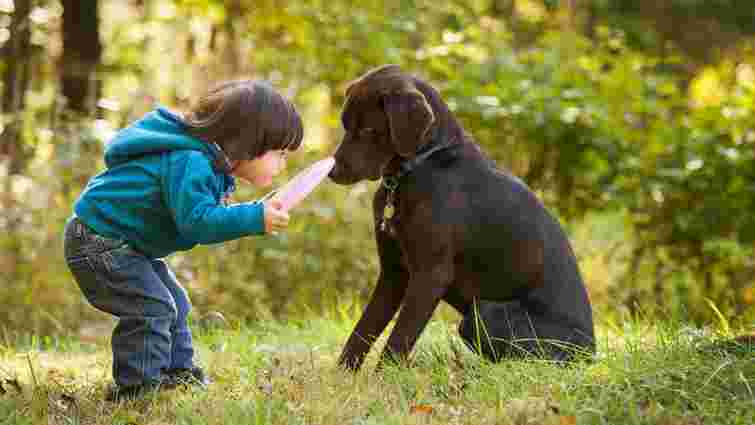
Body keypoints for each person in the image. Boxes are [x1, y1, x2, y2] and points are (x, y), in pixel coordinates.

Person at [62, 80, 303, 401]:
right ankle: (138, 389)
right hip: (98, 241)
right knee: (153, 307)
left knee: (174, 301)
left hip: (121, 243)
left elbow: (199, 213)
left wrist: (253, 212)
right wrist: (254, 217)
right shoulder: (191, 161)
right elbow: (199, 223)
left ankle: (177, 373)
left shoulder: (205, 163)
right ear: (247, 141)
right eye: (280, 153)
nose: (283, 163)